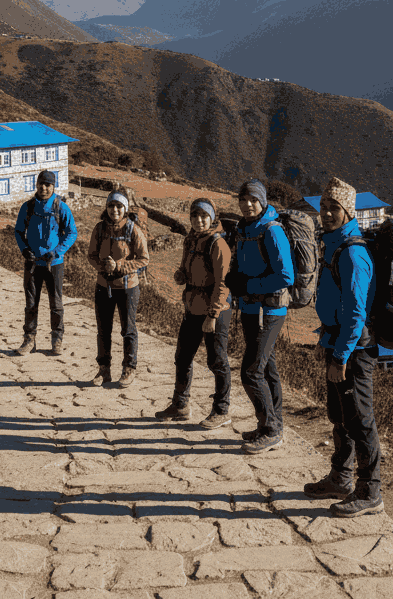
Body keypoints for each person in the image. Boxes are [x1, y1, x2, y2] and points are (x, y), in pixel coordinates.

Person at [304, 176, 383, 517]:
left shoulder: (353, 252)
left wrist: (340, 356)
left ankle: (371, 491)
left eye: (333, 207)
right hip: (335, 342)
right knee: (340, 416)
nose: (326, 213)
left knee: (360, 418)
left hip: (352, 349)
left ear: (348, 211)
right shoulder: (334, 244)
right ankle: (341, 477)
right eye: (323, 207)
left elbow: (355, 313)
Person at [224, 179, 294, 455]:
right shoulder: (244, 229)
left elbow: (286, 276)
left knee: (251, 371)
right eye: (243, 200)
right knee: (267, 368)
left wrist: (249, 286)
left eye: (253, 199)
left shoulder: (272, 231)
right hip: (252, 309)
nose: (247, 204)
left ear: (263, 201)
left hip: (271, 309)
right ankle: (272, 424)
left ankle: (271, 429)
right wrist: (236, 281)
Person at [156, 198, 233, 428]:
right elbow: (184, 267)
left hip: (214, 311)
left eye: (203, 216)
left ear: (212, 218)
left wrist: (212, 315)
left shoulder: (218, 244)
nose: (199, 221)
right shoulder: (191, 240)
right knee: (182, 357)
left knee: (217, 361)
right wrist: (181, 275)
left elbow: (223, 283)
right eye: (195, 216)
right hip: (192, 308)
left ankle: (222, 410)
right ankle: (180, 405)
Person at [87, 191, 149, 386]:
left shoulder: (133, 230)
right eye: (111, 206)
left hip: (128, 288)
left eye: (119, 206)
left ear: (126, 209)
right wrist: (103, 267)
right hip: (103, 285)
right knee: (103, 330)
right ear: (106, 208)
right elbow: (91, 255)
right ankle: (103, 370)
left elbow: (143, 258)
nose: (115, 210)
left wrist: (120, 266)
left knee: (128, 330)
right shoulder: (99, 229)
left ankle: (129, 369)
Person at [14, 170, 78, 356]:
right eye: (41, 184)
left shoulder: (61, 207)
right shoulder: (28, 207)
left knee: (56, 303)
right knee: (31, 304)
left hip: (54, 264)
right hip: (33, 263)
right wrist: (24, 249)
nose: (44, 188)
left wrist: (57, 252)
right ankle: (29, 340)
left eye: (48, 185)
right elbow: (19, 231)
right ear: (36, 185)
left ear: (53, 186)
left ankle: (57, 339)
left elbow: (71, 232)